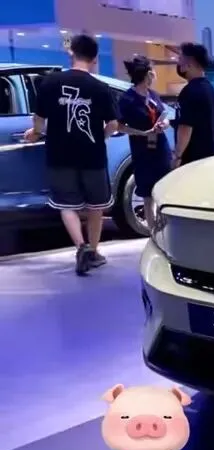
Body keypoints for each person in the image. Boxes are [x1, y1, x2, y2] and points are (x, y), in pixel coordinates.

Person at [24, 34, 119, 276]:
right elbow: (113, 124)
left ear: (71, 53)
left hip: (60, 154)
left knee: (67, 205)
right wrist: (101, 137)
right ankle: (94, 252)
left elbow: (39, 119)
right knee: (96, 206)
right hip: (93, 155)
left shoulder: (50, 83)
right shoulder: (100, 88)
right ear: (95, 59)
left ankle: (81, 247)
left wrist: (35, 133)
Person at [117, 56, 171, 230]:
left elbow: (165, 116)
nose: (155, 74)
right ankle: (153, 231)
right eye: (153, 71)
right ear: (148, 74)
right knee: (147, 194)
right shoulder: (127, 99)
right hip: (142, 151)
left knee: (164, 188)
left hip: (161, 148)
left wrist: (164, 124)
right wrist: (141, 133)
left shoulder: (153, 94)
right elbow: (119, 126)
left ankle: (165, 228)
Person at [171, 42, 214, 169]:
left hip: (192, 162)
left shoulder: (189, 92)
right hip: (210, 158)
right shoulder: (211, 91)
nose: (178, 63)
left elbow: (185, 128)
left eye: (180, 59)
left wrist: (177, 156)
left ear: (189, 64)